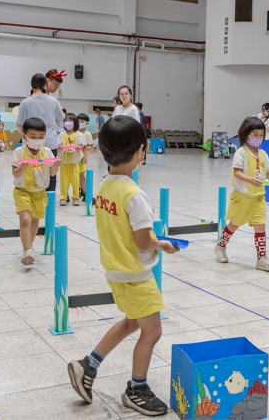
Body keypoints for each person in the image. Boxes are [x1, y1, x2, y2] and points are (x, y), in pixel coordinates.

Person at [67, 115, 178, 416]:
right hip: (135, 274)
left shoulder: (103, 187)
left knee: (132, 322)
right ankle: (136, 389)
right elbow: (144, 241)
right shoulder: (135, 195)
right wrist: (163, 244)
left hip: (115, 270)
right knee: (152, 331)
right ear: (141, 151)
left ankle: (87, 365)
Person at [215, 116, 269, 271]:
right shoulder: (241, 153)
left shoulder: (263, 154)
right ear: (246, 134)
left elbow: (268, 173)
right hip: (242, 197)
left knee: (260, 227)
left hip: (258, 198)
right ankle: (220, 246)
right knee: (234, 225)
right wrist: (250, 180)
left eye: (261, 135)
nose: (259, 138)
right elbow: (237, 173)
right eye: (255, 135)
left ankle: (261, 258)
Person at [11, 117, 60, 266]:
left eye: (41, 137)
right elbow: (15, 173)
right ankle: (27, 250)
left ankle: (29, 248)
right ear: (24, 136)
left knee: (34, 222)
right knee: (25, 219)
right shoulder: (19, 152)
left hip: (40, 192)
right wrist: (22, 169)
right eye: (33, 137)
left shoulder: (47, 152)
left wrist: (56, 166)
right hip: (22, 191)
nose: (37, 140)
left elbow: (51, 174)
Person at [16, 73, 65, 193]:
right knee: (50, 173)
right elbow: (60, 118)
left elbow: (19, 124)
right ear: (45, 84)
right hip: (49, 142)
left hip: (30, 144)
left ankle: (31, 198)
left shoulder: (25, 102)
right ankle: (48, 204)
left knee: (29, 173)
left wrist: (27, 136)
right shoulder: (53, 101)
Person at [58, 113, 87, 206]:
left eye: (70, 121)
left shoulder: (78, 135)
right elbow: (58, 147)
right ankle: (63, 197)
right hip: (64, 162)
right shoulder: (61, 135)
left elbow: (84, 146)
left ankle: (76, 197)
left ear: (74, 123)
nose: (68, 122)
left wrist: (81, 152)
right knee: (64, 180)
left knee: (75, 180)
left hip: (75, 161)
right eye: (66, 120)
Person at [78, 113, 95, 200]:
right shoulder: (75, 133)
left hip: (83, 157)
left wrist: (84, 148)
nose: (79, 123)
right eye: (78, 121)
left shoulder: (87, 134)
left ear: (86, 123)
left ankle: (85, 192)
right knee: (75, 174)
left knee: (81, 174)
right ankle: (78, 190)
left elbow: (90, 146)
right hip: (74, 157)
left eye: (81, 122)